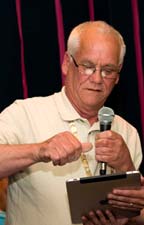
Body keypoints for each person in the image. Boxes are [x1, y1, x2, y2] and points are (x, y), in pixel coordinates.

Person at [0, 21, 142, 225]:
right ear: (67, 63)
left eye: (108, 70)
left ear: (118, 76)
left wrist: (126, 168)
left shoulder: (128, 132)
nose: (97, 78)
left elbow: (136, 214)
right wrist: (39, 150)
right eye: (87, 66)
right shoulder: (25, 113)